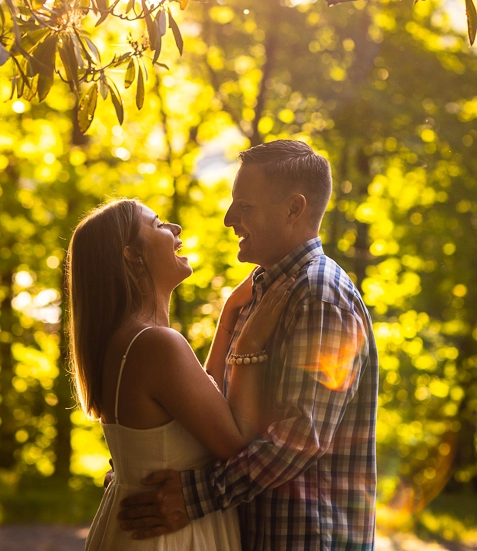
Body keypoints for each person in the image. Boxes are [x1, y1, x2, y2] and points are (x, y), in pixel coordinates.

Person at [119, 139, 378, 551]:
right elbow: (222, 415)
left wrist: (195, 495)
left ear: (294, 209)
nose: (228, 219)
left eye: (245, 206)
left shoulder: (319, 297)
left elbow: (302, 436)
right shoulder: (264, 290)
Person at [67, 196, 292, 551]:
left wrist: (231, 312)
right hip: (169, 539)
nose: (175, 229)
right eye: (157, 224)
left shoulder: (131, 340)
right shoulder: (156, 344)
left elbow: (203, 403)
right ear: (131, 254)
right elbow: (237, 446)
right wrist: (253, 338)